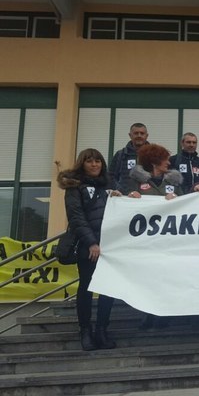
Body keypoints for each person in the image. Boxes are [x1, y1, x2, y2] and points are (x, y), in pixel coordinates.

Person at [58, 148, 118, 351]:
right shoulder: (74, 186)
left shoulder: (109, 184)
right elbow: (76, 217)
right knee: (86, 288)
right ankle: (85, 331)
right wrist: (92, 242)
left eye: (98, 161)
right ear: (81, 164)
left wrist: (121, 198)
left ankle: (102, 330)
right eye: (90, 161)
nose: (94, 165)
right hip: (88, 246)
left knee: (108, 290)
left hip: (110, 246)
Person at [123, 143, 183, 330]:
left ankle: (164, 313)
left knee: (167, 278)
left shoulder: (173, 182)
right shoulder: (134, 181)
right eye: (165, 159)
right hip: (146, 241)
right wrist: (129, 198)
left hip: (169, 241)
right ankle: (148, 312)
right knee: (149, 279)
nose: (169, 162)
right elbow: (123, 202)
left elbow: (186, 205)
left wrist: (178, 201)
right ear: (155, 161)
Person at [110, 122, 148, 192]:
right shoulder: (120, 155)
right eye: (136, 133)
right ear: (130, 135)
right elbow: (111, 177)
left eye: (142, 133)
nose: (139, 135)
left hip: (149, 198)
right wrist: (120, 190)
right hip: (125, 198)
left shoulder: (155, 155)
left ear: (147, 136)